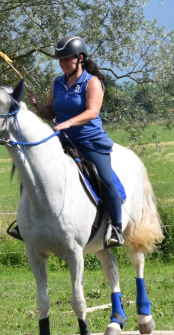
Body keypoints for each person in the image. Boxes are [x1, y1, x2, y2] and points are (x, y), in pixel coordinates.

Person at [27, 35, 124, 247]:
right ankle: (28, 222)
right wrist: (36, 105)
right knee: (36, 170)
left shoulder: (92, 82)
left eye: (66, 60)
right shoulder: (58, 83)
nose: (62, 64)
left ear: (80, 58)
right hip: (63, 140)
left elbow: (92, 111)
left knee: (105, 180)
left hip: (90, 141)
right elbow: (50, 112)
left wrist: (67, 123)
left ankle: (116, 227)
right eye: (60, 61)